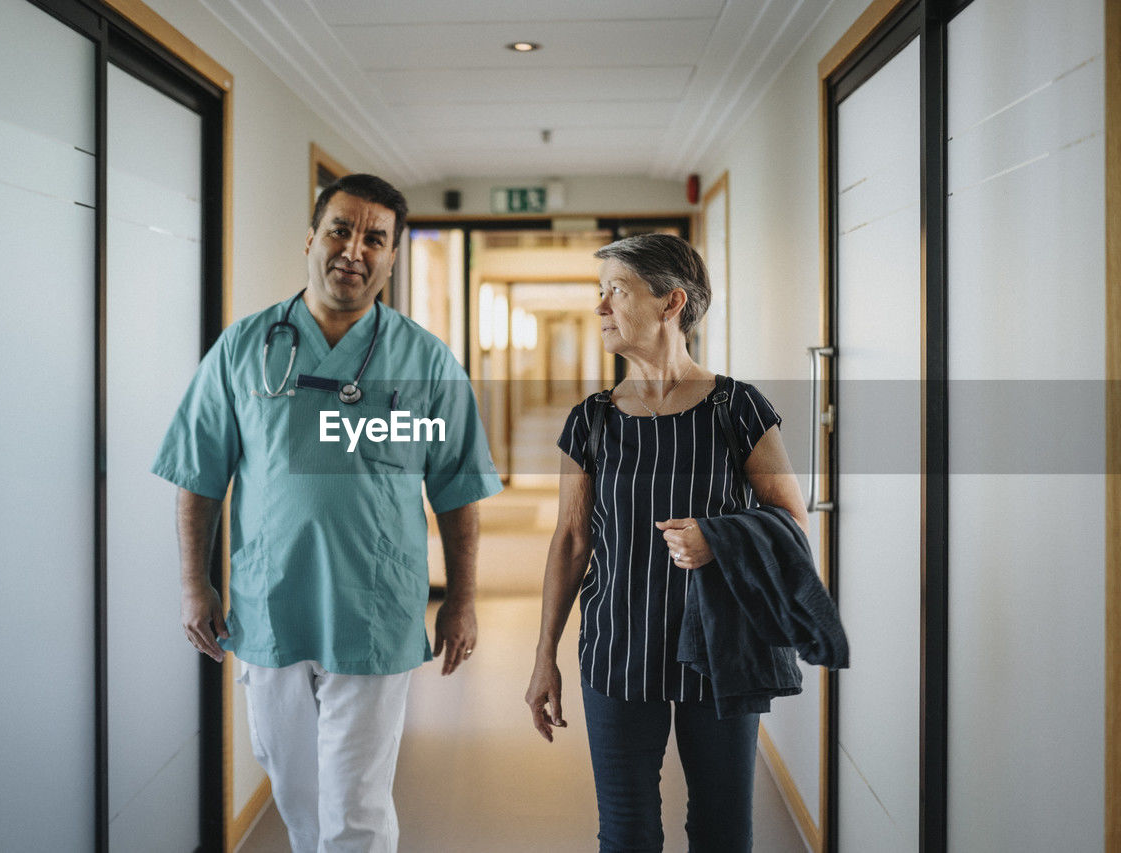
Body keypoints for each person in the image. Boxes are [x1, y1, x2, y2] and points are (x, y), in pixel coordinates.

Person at [152, 173, 502, 852]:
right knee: (295, 790)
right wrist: (195, 585)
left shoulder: (425, 360)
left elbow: (458, 491)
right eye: (341, 229)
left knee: (357, 808)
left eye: (375, 237)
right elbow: (197, 475)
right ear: (311, 236)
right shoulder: (245, 346)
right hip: (270, 602)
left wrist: (462, 599)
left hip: (374, 606)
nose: (355, 249)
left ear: (393, 256)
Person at [524, 233, 809, 852]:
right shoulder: (592, 420)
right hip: (617, 646)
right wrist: (544, 653)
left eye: (616, 292)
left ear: (670, 302)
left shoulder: (738, 408)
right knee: (625, 832)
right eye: (600, 293)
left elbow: (793, 523)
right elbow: (571, 542)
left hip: (720, 648)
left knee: (722, 829)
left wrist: (720, 538)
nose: (600, 307)